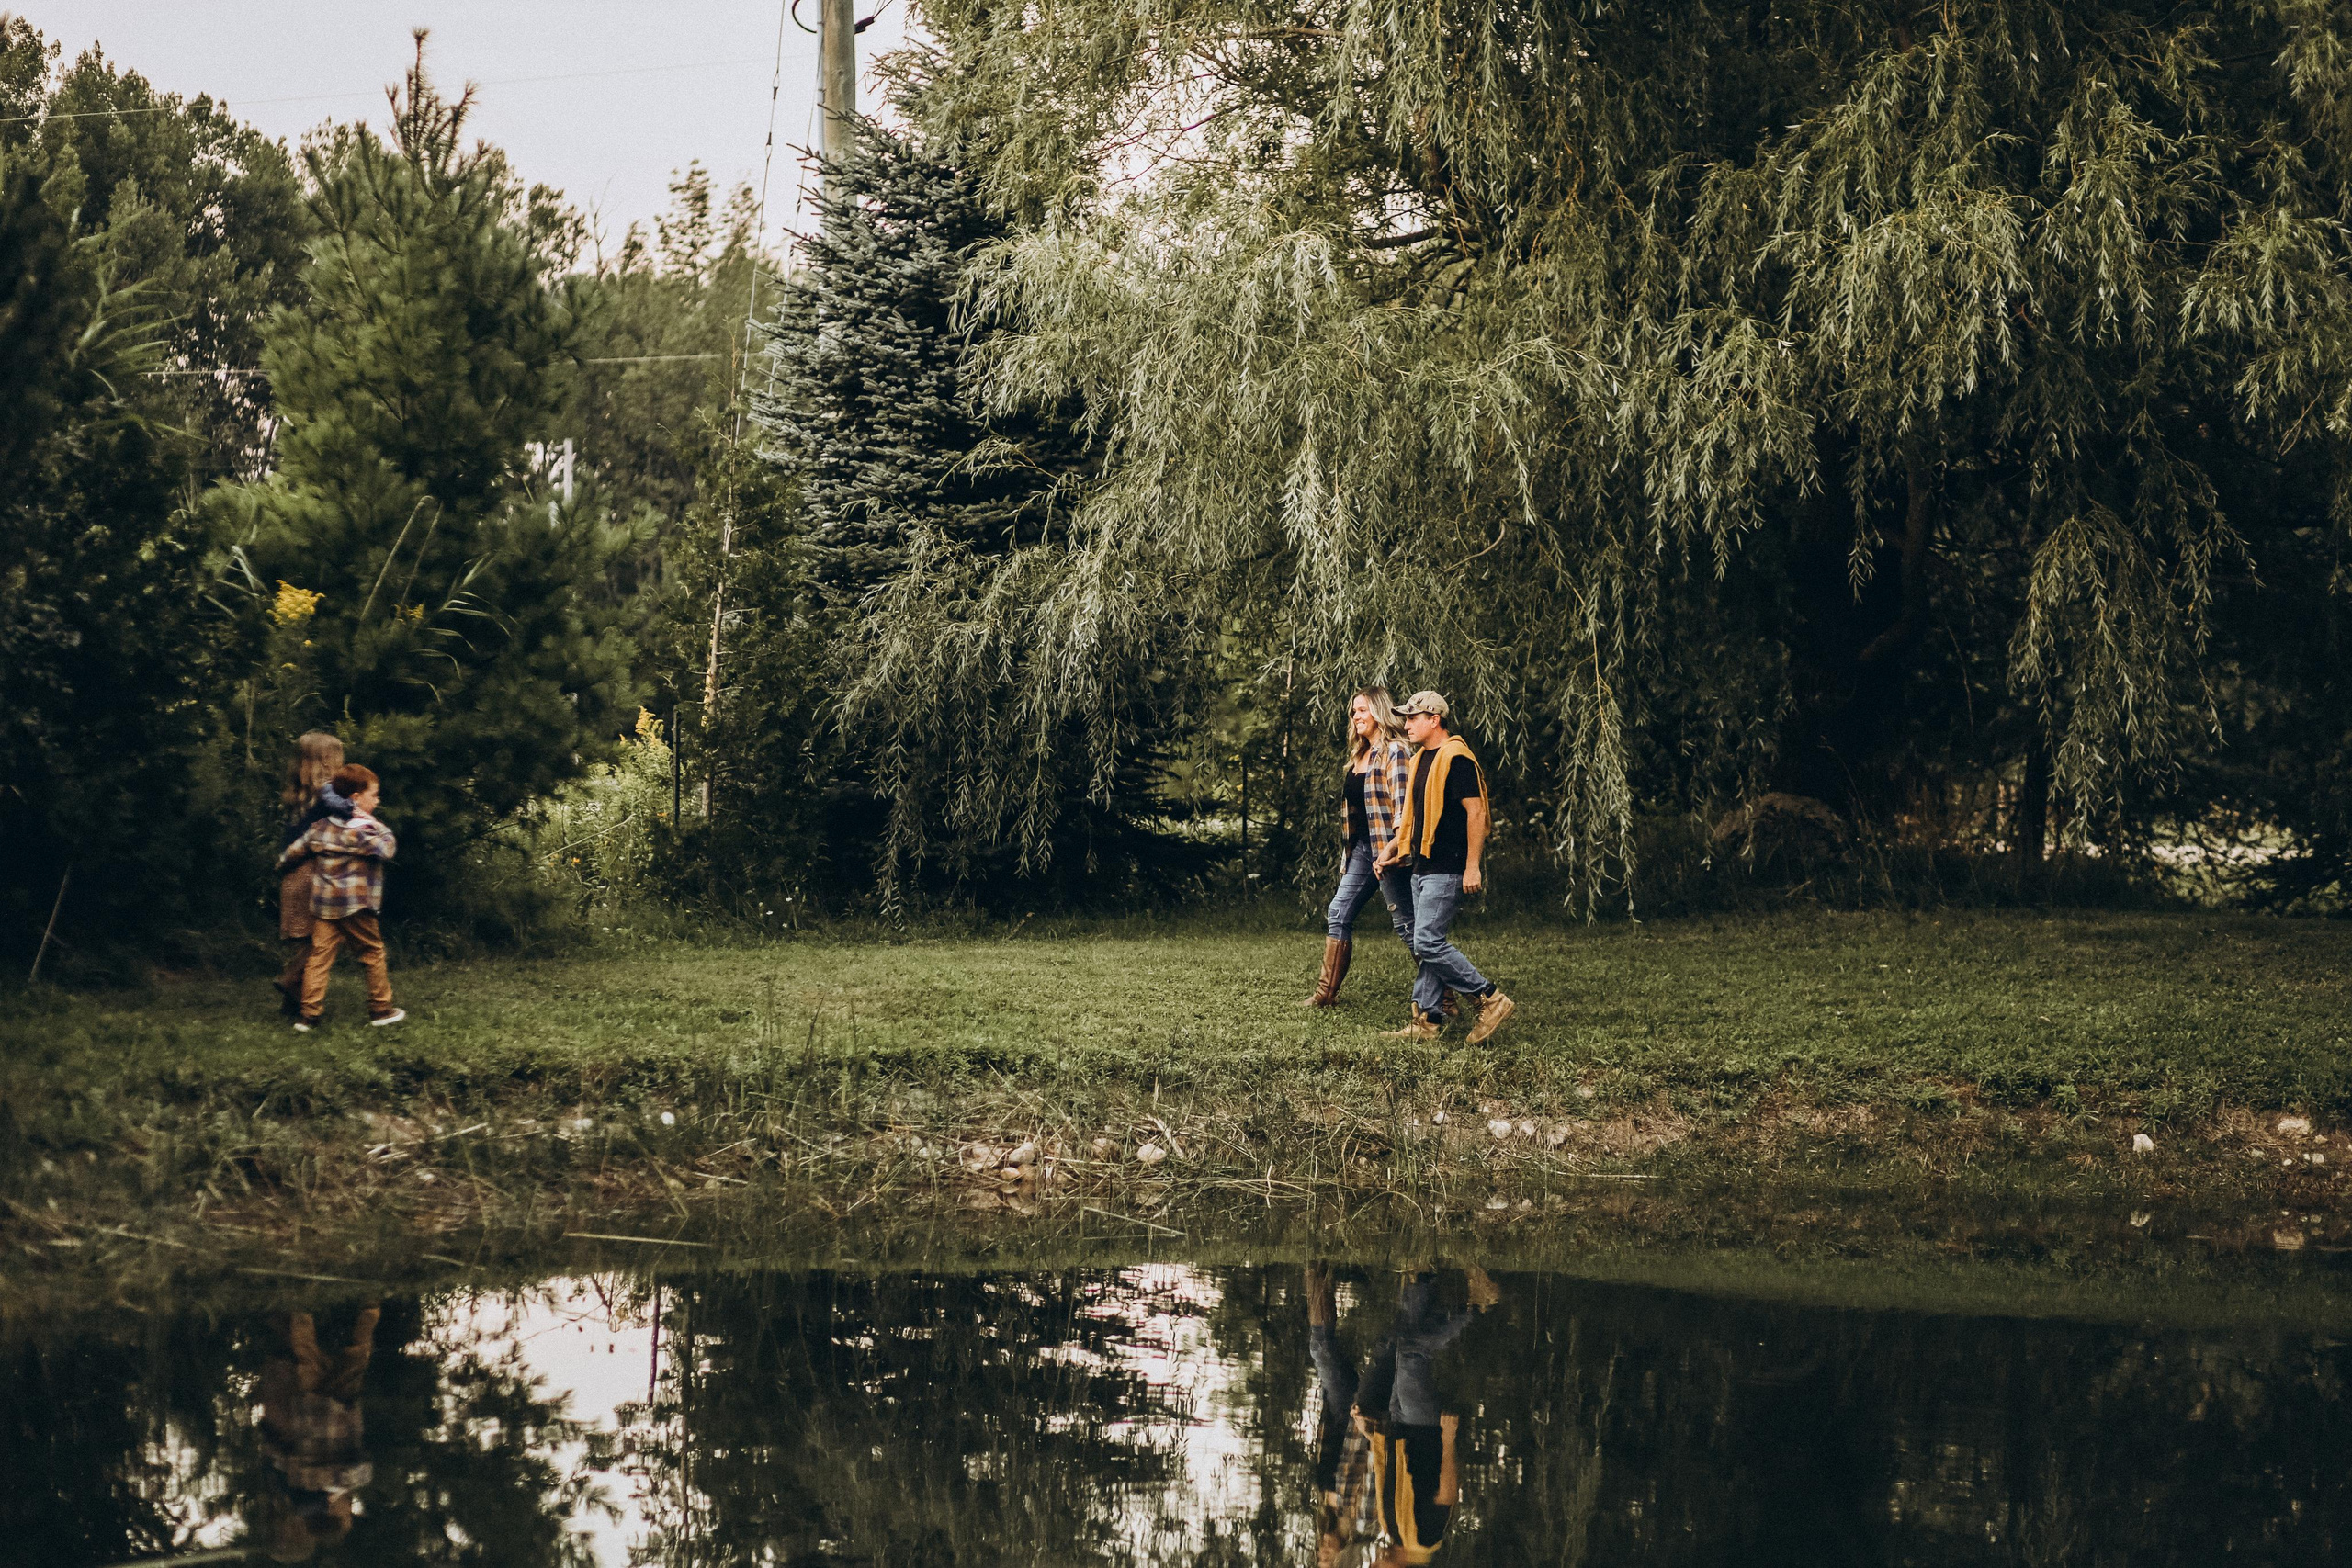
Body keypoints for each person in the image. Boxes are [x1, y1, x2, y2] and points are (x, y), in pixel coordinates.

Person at [1375, 691, 1513, 1043]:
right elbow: (1412, 817)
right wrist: (1394, 849)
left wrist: (1472, 867)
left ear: (1433, 719)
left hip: (1448, 866)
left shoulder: (1457, 758)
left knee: (1427, 940)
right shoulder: (1423, 759)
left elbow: (1477, 813)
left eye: (1412, 718)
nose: (1405, 725)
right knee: (1427, 944)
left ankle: (1489, 997)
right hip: (1422, 865)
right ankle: (1427, 1021)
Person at [1352, 1267, 1501, 1565]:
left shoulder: (1392, 1531)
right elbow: (1447, 1494)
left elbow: (1389, 1474)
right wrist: (1448, 1440)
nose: (1373, 1564)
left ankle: (1423, 1282)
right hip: (1424, 1429)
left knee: (1400, 1350)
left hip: (1397, 1426)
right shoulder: (1425, 1540)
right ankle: (1477, 1306)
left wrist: (1371, 1435)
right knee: (1411, 1355)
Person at [1305, 688, 1419, 1008]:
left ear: (1379, 712)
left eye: (1362, 710)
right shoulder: (1359, 755)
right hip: (1362, 850)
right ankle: (1325, 995)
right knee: (1338, 912)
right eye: (1353, 711)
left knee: (1409, 928)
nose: (1355, 716)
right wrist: (1351, 855)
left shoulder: (1395, 752)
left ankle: (1446, 1000)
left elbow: (1402, 807)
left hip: (1389, 851)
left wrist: (1395, 851)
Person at [278, 763, 403, 1032]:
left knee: (319, 958)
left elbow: (295, 851)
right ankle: (381, 1009)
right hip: (357, 906)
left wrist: (280, 865)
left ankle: (308, 1016)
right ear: (356, 798)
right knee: (372, 953)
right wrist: (377, 825)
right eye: (374, 795)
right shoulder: (363, 832)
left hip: (325, 906)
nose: (378, 800)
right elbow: (387, 848)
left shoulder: (320, 828)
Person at [272, 732, 353, 1017]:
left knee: (311, 940)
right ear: (326, 763)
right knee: (327, 937)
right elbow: (345, 816)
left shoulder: (296, 798)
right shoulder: (327, 794)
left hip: (292, 875)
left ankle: (292, 1003)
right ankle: (291, 979)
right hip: (312, 874)